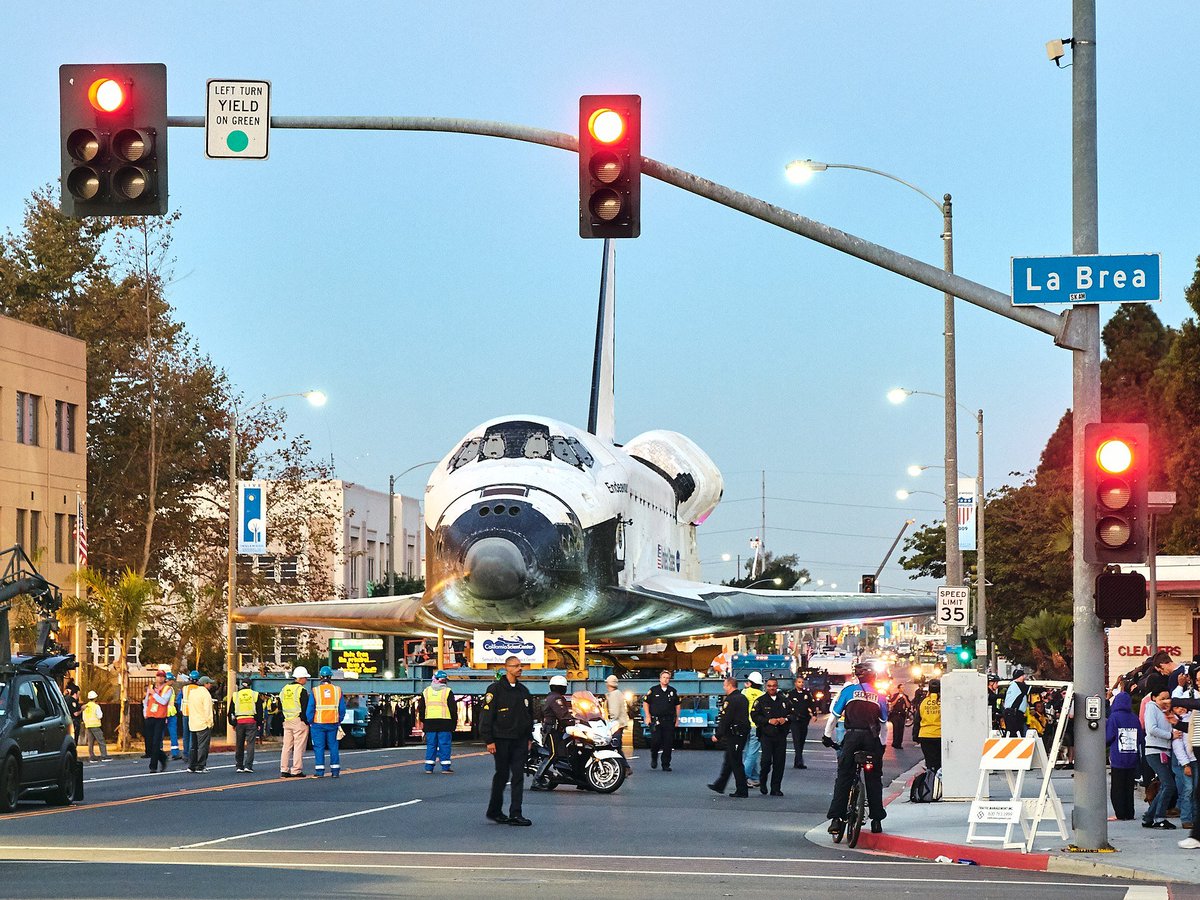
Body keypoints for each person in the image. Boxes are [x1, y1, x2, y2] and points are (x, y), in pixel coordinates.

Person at [824, 661, 888, 836]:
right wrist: (882, 746)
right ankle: (876, 821)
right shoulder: (880, 696)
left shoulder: (848, 691)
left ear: (857, 676)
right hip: (871, 739)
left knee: (844, 776)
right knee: (874, 779)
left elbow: (833, 718)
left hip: (852, 737)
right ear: (873, 677)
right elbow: (884, 726)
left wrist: (827, 736)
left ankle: (836, 820)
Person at [479, 655, 534, 826]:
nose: (520, 668)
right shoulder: (495, 690)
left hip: (519, 741)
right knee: (502, 775)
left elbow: (528, 716)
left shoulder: (523, 691)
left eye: (520, 665)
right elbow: (486, 716)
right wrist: (489, 740)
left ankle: (516, 814)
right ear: (507, 667)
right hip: (501, 739)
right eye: (516, 665)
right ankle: (494, 811)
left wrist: (529, 737)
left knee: (518, 776)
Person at [707, 677, 749, 797]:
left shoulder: (731, 700)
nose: (724, 688)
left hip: (735, 735)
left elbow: (726, 719)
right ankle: (720, 785)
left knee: (736, 762)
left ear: (730, 685)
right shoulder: (742, 698)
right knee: (729, 760)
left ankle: (742, 790)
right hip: (740, 733)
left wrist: (718, 735)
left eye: (725, 685)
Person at [1143, 688, 1178, 829]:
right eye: (1161, 698)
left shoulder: (1166, 712)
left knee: (1166, 785)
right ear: (1154, 698)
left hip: (1165, 752)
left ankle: (1148, 817)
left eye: (1167, 698)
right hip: (1154, 751)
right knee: (1169, 785)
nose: (1165, 701)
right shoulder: (1151, 709)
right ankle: (1159, 818)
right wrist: (1171, 735)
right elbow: (1151, 729)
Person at [1106, 688, 1143, 820]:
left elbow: (1109, 737)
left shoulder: (1114, 717)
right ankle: (1129, 812)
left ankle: (1120, 813)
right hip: (1132, 756)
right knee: (1128, 786)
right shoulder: (1134, 717)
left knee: (1117, 787)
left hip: (1118, 756)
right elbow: (1140, 737)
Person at [753, 677, 791, 797]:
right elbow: (755, 716)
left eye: (774, 686)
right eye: (769, 686)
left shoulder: (784, 700)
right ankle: (763, 781)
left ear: (777, 686)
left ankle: (776, 788)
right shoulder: (760, 701)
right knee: (766, 761)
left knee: (779, 763)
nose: (772, 688)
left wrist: (784, 719)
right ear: (766, 687)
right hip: (766, 735)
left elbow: (794, 714)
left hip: (780, 735)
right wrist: (768, 721)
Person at [307, 666, 347, 778]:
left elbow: (310, 709)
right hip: (333, 723)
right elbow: (342, 709)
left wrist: (310, 721)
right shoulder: (337, 690)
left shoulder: (315, 691)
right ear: (330, 677)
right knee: (333, 746)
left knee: (319, 747)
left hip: (317, 724)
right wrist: (339, 720)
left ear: (320, 677)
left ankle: (320, 771)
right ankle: (335, 771)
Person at [418, 670, 459, 774]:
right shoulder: (448, 691)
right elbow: (453, 709)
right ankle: (445, 768)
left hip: (430, 723)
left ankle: (429, 768)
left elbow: (421, 709)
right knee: (444, 744)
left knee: (431, 745)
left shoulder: (426, 691)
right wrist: (454, 723)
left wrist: (423, 721)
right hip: (445, 723)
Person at [642, 670, 681, 772]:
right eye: (664, 677)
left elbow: (677, 705)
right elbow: (646, 703)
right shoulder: (653, 690)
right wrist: (648, 716)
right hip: (656, 720)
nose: (666, 679)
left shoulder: (673, 691)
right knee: (656, 741)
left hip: (668, 720)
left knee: (668, 743)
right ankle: (654, 757)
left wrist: (677, 719)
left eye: (668, 678)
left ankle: (666, 764)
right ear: (660, 679)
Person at [279, 666, 311, 778]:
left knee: (286, 746)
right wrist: (306, 721)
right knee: (298, 746)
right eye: (305, 678)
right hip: (298, 721)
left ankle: (284, 769)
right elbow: (305, 707)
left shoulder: (284, 689)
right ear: (301, 678)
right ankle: (296, 770)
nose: (306, 680)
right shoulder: (301, 690)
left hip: (287, 720)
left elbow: (280, 704)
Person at [227, 676, 263, 773]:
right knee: (250, 744)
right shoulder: (255, 695)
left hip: (239, 722)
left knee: (239, 744)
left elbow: (231, 711)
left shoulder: (236, 695)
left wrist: (233, 723)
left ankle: (239, 765)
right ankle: (248, 766)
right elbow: (259, 711)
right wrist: (259, 723)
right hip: (251, 721)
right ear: (250, 685)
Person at [1171, 703, 1196, 830]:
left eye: (1182, 706)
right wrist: (1185, 764)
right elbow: (1178, 747)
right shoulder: (1177, 724)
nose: (1180, 709)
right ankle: (1186, 818)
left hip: (1196, 760)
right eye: (1176, 707)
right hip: (1187, 761)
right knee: (1188, 789)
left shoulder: (1193, 717)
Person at [143, 669, 172, 772]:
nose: (160, 678)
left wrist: (154, 694)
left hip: (160, 718)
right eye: (158, 676)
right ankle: (162, 757)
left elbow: (163, 702)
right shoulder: (151, 688)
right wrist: (145, 713)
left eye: (162, 676)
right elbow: (146, 701)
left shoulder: (168, 689)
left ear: (164, 678)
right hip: (150, 716)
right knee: (149, 744)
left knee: (156, 742)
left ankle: (153, 766)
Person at [604, 674, 632, 775]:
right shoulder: (617, 693)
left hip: (616, 725)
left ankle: (625, 767)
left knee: (615, 746)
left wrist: (609, 722)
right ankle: (624, 767)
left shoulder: (614, 695)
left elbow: (614, 712)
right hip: (619, 724)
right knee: (616, 746)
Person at [187, 676, 216, 773]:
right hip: (203, 723)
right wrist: (210, 723)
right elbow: (207, 710)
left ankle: (191, 766)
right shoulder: (205, 694)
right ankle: (200, 766)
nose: (210, 685)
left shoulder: (192, 693)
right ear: (205, 684)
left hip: (193, 723)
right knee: (203, 746)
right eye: (209, 683)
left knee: (193, 746)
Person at [787, 676, 816, 768]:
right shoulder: (791, 694)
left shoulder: (807, 693)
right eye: (799, 682)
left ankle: (797, 761)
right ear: (795, 683)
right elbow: (787, 706)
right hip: (795, 720)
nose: (801, 684)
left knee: (802, 740)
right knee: (796, 739)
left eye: (802, 682)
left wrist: (814, 714)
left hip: (804, 719)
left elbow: (812, 704)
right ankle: (800, 761)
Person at [741, 672, 765, 785]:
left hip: (745, 725)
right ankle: (743, 777)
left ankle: (754, 777)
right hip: (756, 726)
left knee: (749, 753)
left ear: (750, 682)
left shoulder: (744, 692)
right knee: (752, 753)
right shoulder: (762, 695)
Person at [917, 679, 942, 772]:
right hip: (939, 735)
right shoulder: (943, 702)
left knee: (929, 763)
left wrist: (915, 736)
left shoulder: (923, 702)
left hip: (925, 735)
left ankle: (929, 782)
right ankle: (937, 783)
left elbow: (917, 719)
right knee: (939, 763)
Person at [81, 690, 110, 762]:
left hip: (88, 726)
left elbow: (83, 717)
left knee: (90, 742)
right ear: (95, 698)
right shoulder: (96, 706)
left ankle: (92, 757)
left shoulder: (85, 707)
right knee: (101, 741)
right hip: (95, 725)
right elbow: (100, 716)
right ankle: (104, 756)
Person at [1003, 669, 1030, 736]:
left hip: (1007, 713)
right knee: (1018, 734)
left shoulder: (1011, 685)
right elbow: (1032, 689)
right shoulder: (1020, 685)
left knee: (1010, 733)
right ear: (1021, 676)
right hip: (1015, 714)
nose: (1024, 677)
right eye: (1023, 676)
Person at [888, 686, 911, 750]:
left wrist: (905, 699)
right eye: (901, 687)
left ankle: (899, 743)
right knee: (896, 729)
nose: (902, 689)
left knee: (901, 729)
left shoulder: (905, 696)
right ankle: (895, 742)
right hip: (895, 714)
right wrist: (897, 698)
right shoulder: (895, 695)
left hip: (902, 715)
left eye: (903, 687)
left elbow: (908, 705)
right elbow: (892, 704)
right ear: (899, 688)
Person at [176, 672, 192, 761]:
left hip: (185, 713)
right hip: (194, 714)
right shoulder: (198, 689)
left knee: (186, 734)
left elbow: (179, 700)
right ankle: (191, 753)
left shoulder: (184, 689)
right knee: (193, 734)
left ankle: (186, 753)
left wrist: (180, 709)